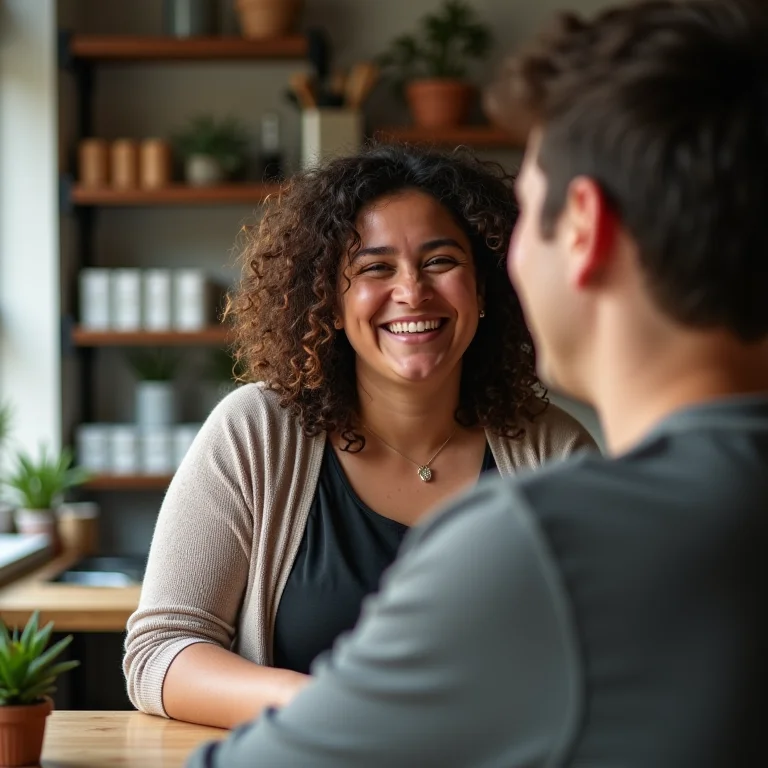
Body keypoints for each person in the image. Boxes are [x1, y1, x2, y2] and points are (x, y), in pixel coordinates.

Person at [183, 0, 768, 765]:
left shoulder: (537, 538)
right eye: (375, 269)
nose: (414, 292)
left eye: (528, 213)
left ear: (583, 229)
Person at [123, 144, 594, 729]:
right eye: (375, 267)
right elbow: (160, 654)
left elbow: (610, 662)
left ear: (486, 284)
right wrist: (336, 708)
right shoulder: (256, 434)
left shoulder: (554, 452)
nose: (412, 291)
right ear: (330, 299)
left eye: (441, 260)